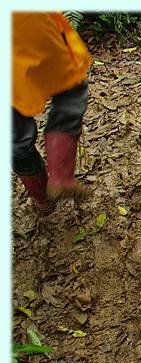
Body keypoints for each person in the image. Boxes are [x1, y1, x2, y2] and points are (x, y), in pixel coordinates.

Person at [12, 12, 93, 214]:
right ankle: (61, 176)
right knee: (71, 87)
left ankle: (42, 201)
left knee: (13, 134)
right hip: (23, 26)